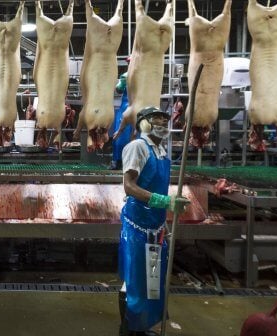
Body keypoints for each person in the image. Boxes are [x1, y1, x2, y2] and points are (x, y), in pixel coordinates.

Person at [119, 106, 190, 336]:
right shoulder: (137, 147)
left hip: (156, 225)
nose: (162, 122)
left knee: (152, 279)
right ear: (144, 123)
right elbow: (129, 186)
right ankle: (130, 328)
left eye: (164, 119)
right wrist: (163, 201)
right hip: (137, 223)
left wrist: (166, 210)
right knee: (135, 279)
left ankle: (144, 325)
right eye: (156, 119)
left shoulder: (160, 150)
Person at [110, 71, 132, 170]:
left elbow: (118, 90)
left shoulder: (126, 75)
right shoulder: (147, 73)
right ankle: (133, 163)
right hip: (140, 107)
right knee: (137, 134)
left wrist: (121, 84)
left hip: (126, 106)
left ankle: (117, 162)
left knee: (120, 135)